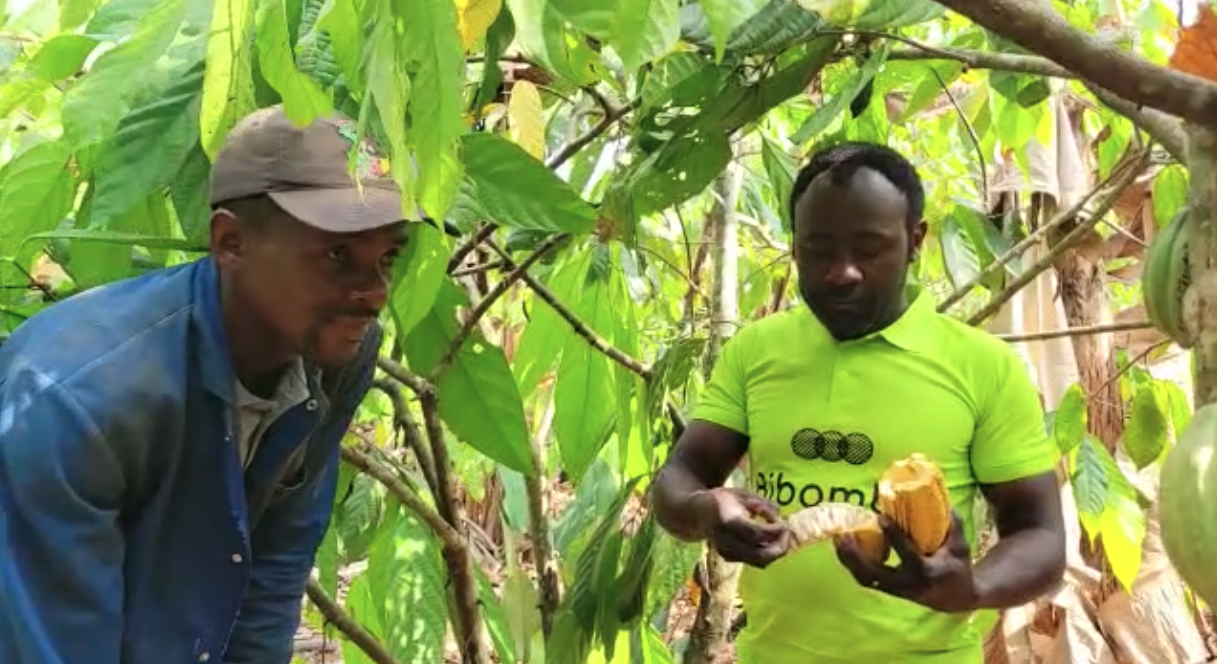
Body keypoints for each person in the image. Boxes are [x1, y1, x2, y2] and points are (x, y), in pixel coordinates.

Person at [0, 105, 414, 664]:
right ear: (231, 243)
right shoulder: (80, 402)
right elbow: (50, 638)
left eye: (388, 256)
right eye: (337, 256)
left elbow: (273, 568)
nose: (375, 291)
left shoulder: (335, 357)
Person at [651, 141, 1066, 664]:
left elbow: (1041, 536)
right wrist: (704, 509)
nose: (841, 272)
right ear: (795, 246)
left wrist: (972, 588)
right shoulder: (756, 351)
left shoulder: (982, 366)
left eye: (868, 250)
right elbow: (680, 476)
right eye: (818, 250)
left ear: (915, 240)